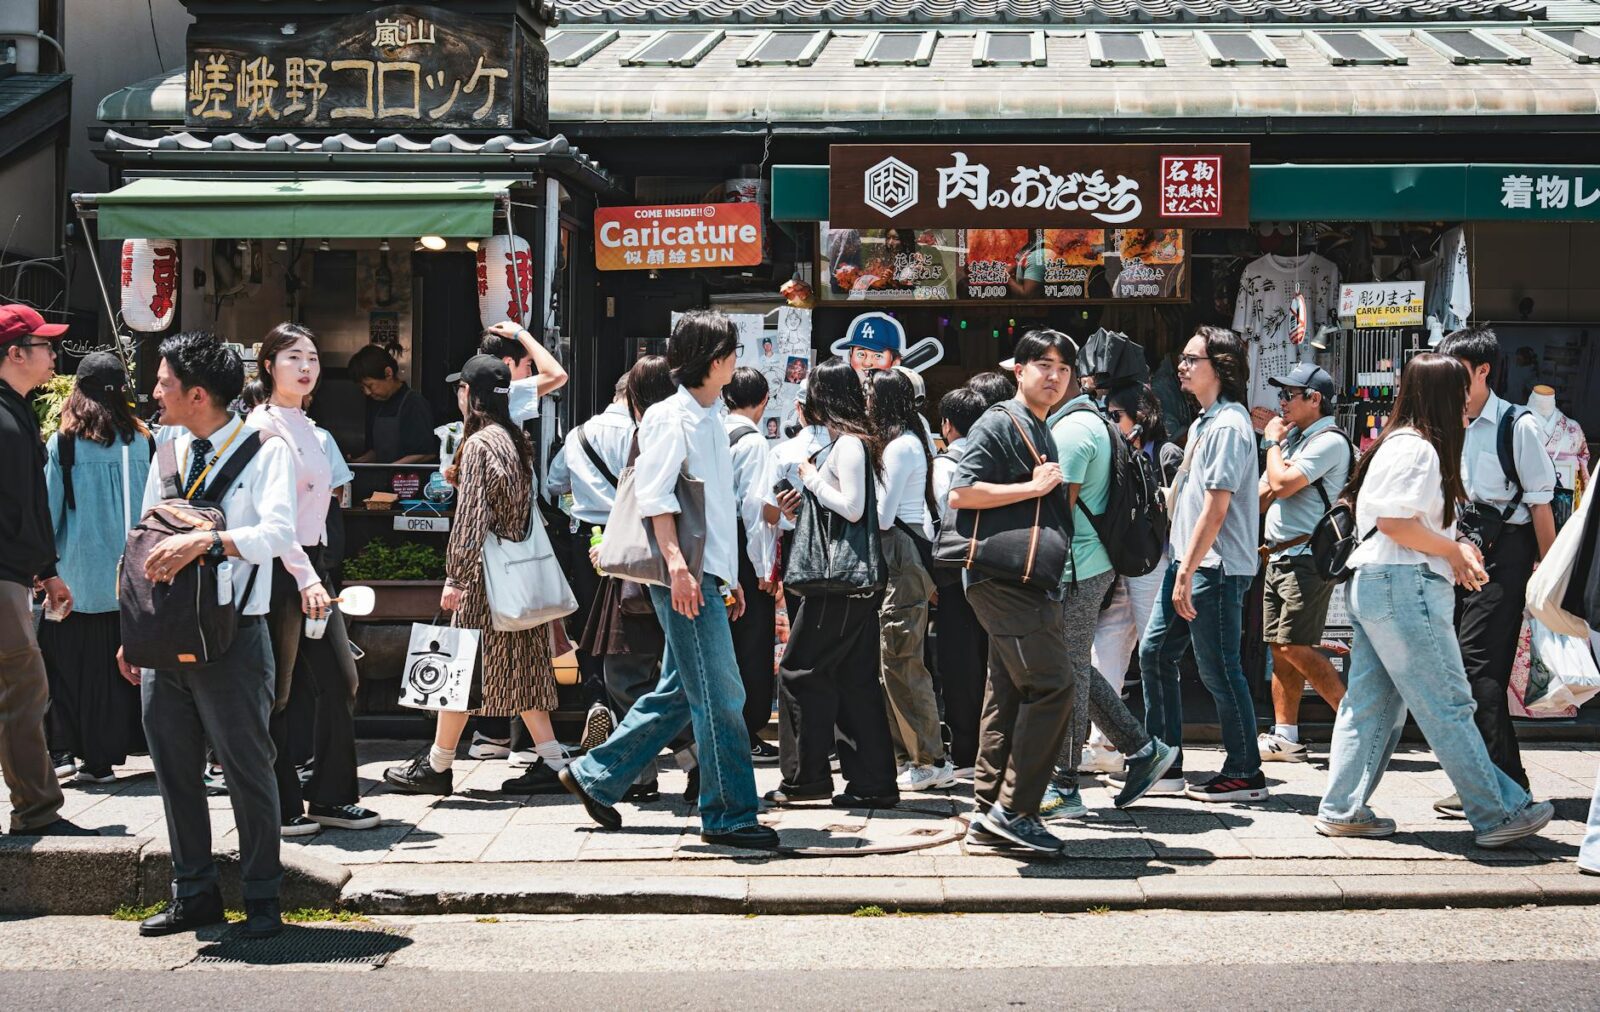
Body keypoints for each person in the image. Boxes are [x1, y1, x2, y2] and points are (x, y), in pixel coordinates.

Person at [1316, 352, 1554, 849]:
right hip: (1405, 585)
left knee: (1371, 703)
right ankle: (1497, 811)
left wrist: (1450, 549)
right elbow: (1396, 522)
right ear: (1443, 396)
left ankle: (1343, 809)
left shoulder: (1398, 443)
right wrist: (1453, 548)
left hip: (1378, 583)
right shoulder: (1420, 449)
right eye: (1460, 388)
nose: (1469, 399)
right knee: (1448, 703)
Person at [561, 311, 778, 851]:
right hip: (683, 573)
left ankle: (595, 774)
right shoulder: (670, 417)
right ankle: (728, 814)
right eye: (731, 350)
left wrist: (727, 579)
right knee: (722, 694)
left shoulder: (709, 414)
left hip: (704, 573)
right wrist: (680, 569)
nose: (737, 359)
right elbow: (656, 498)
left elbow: (713, 507)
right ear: (713, 360)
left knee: (681, 690)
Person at [122, 331, 296, 938]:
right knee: (173, 769)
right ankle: (192, 893)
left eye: (164, 382)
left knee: (248, 768)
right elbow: (142, 539)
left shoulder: (265, 450)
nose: (155, 392)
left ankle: (262, 898)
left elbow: (278, 535)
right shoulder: (166, 451)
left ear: (198, 393)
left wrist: (211, 540)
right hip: (164, 640)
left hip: (235, 638)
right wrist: (134, 633)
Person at [383, 356, 567, 797]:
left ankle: (438, 766)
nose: (458, 396)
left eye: (461, 389)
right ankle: (555, 763)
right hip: (513, 579)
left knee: (457, 668)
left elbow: (471, 518)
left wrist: (455, 576)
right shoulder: (513, 439)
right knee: (521, 669)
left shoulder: (482, 444)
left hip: (485, 580)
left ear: (472, 394)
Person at [947, 330, 1078, 854]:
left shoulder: (1039, 425)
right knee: (1053, 686)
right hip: (1002, 578)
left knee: (1007, 693)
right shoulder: (1000, 420)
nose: (1054, 376)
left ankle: (988, 812)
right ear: (1018, 369)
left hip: (1023, 580)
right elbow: (961, 491)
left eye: (1064, 369)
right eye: (1043, 365)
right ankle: (1016, 809)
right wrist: (1033, 487)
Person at [247, 324, 379, 835]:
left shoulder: (308, 425)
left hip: (313, 568)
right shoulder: (262, 426)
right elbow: (271, 516)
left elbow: (323, 504)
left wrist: (321, 569)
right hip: (281, 571)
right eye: (293, 357)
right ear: (268, 365)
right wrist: (305, 576)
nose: (306, 368)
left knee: (340, 679)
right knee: (277, 692)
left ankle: (330, 797)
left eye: (314, 358)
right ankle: (277, 805)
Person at [1044, 362, 1179, 819]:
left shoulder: (1073, 432)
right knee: (1074, 662)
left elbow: (1056, 512)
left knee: (1068, 671)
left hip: (1077, 567)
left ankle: (1064, 784)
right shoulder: (1088, 423)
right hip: (1086, 563)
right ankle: (1142, 750)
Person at [1138, 326, 1267, 803]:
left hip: (1212, 566)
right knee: (1155, 653)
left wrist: (1188, 570)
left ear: (1222, 367)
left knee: (1219, 669)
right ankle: (1164, 762)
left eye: (1193, 359)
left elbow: (1217, 507)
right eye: (1184, 358)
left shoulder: (1230, 425)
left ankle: (1245, 771)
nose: (1183, 366)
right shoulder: (1206, 422)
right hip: (1191, 562)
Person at [1433, 325, 1557, 817]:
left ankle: (1504, 785)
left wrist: (1548, 577)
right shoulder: (1444, 422)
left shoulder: (1516, 425)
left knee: (1479, 670)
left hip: (1504, 559)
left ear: (1483, 371)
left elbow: (1542, 505)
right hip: (1456, 555)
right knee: (1462, 673)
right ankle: (1487, 781)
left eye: (1457, 371)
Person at [766, 358, 899, 810]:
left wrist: (809, 477)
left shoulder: (849, 445)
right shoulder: (852, 444)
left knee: (798, 672)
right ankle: (872, 781)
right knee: (854, 678)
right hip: (849, 583)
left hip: (838, 583)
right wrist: (802, 498)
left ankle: (806, 779)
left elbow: (854, 509)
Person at [578, 357, 691, 803]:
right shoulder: (684, 428)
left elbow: (640, 504)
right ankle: (655, 769)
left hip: (643, 571)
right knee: (667, 676)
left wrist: (613, 550)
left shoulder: (648, 434)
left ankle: (643, 769)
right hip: (672, 567)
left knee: (627, 675)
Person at [0, 304, 93, 837]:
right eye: (43, 344)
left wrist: (45, 571)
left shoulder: (16, 412)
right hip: (5, 577)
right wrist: (42, 569)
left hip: (15, 573)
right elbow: (20, 510)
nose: (54, 353)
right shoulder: (8, 419)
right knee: (24, 689)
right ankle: (35, 811)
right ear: (15, 353)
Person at [40, 352, 153, 785]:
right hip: (132, 581)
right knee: (117, 669)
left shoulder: (64, 442)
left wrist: (42, 567)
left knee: (69, 667)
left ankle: (68, 751)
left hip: (78, 579)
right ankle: (107, 757)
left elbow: (50, 510)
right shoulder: (144, 440)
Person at [1083, 384, 1181, 775]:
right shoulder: (1115, 449)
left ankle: (1158, 745)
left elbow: (1179, 509)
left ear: (1140, 418)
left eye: (1116, 415)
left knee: (1153, 648)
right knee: (1106, 645)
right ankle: (1102, 742)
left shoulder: (1166, 453)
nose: (1110, 422)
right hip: (1120, 559)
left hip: (1154, 560)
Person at [1256, 363, 1352, 762]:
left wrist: (1272, 445)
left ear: (1315, 399)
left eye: (1289, 395)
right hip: (1279, 555)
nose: (1281, 403)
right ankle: (1286, 734)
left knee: (1294, 645)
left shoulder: (1327, 440)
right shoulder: (1297, 438)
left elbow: (1279, 485)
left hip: (1307, 558)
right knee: (1280, 649)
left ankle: (1356, 725)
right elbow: (1262, 495)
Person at [868, 368, 952, 792]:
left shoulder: (900, 447)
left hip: (902, 556)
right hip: (903, 556)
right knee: (895, 661)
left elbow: (883, 516)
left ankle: (929, 758)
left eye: (870, 394)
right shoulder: (907, 441)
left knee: (901, 660)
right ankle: (913, 755)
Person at [544, 372, 633, 758]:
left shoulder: (578, 434)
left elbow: (553, 482)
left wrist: (584, 489)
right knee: (633, 622)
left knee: (590, 626)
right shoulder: (641, 434)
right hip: (630, 536)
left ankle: (595, 698)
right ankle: (625, 711)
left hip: (586, 538)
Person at [723, 367, 780, 765]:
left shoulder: (713, 432)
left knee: (724, 641)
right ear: (762, 402)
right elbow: (755, 509)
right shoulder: (754, 443)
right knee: (752, 642)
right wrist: (764, 568)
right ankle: (747, 728)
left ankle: (726, 728)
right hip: (744, 551)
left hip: (713, 547)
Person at [931, 386, 987, 778]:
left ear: (947, 425)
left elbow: (937, 520)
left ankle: (965, 750)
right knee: (989, 661)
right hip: (993, 571)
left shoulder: (944, 465)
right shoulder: (996, 458)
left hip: (953, 575)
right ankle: (990, 749)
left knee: (957, 663)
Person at [348, 344, 436, 463]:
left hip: (407, 479)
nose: (367, 392)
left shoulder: (414, 403)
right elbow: (377, 451)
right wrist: (358, 462)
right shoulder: (377, 404)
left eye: (370, 385)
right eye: (362, 388)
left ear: (388, 373)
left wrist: (391, 470)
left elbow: (425, 453)